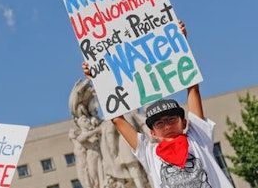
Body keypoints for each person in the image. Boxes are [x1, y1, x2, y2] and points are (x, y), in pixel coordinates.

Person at [81, 21, 234, 188]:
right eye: (160, 123)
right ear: (152, 132)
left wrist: (181, 45)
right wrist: (99, 80)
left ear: (183, 122)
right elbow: (117, 119)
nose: (167, 126)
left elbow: (193, 89)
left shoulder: (197, 138)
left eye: (171, 119)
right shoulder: (149, 153)